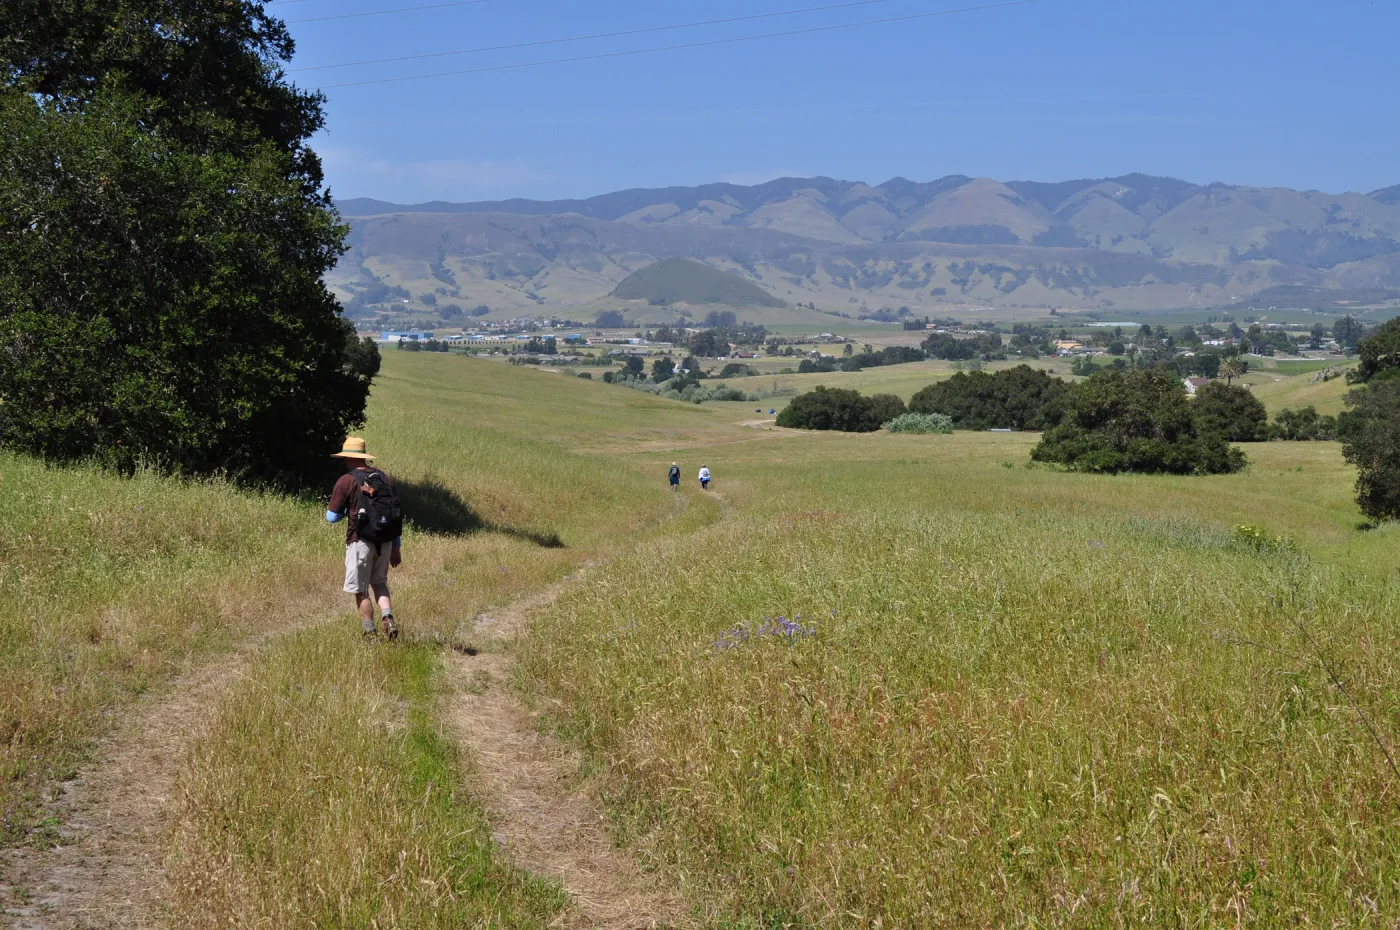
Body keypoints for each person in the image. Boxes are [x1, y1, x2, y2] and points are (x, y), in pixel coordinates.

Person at [326, 437, 402, 640]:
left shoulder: (347, 480)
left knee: (361, 590)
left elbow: (331, 517)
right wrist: (396, 548)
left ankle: (370, 634)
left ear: (348, 457)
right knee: (379, 582)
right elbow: (394, 515)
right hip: (385, 541)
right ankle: (388, 618)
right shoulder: (385, 479)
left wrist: (346, 511)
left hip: (360, 541)